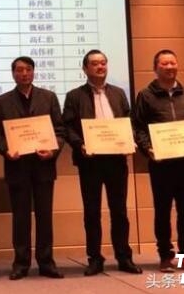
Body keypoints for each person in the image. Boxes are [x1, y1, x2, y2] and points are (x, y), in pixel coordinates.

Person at [62, 49, 142, 276]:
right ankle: (95, 258)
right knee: (92, 212)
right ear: (85, 68)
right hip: (90, 161)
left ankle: (124, 257)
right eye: (95, 64)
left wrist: (130, 139)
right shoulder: (74, 96)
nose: (100, 67)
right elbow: (67, 126)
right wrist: (80, 144)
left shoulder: (118, 93)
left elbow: (129, 122)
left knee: (120, 211)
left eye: (103, 63)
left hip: (116, 160)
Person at [132, 49, 184, 273]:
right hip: (161, 163)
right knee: (162, 211)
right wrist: (148, 148)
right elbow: (138, 126)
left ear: (177, 65)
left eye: (172, 63)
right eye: (164, 64)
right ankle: (165, 255)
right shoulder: (145, 95)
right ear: (155, 68)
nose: (169, 67)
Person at [0, 56, 65, 280]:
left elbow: (59, 130)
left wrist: (53, 150)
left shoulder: (48, 97)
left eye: (28, 69)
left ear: (33, 72)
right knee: (20, 217)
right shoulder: (2, 101)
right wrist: (6, 150)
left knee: (44, 216)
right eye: (20, 70)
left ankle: (46, 262)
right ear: (13, 73)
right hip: (17, 166)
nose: (24, 73)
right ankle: (21, 263)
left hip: (43, 166)